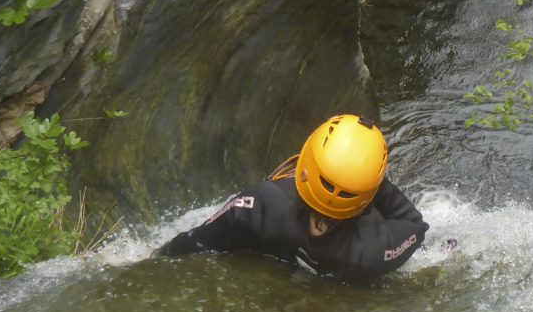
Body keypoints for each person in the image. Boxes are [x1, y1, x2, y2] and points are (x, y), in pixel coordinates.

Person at [157, 114, 429, 285]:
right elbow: (416, 226)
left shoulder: (260, 204)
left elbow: (192, 242)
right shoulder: (371, 253)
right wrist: (367, 181)